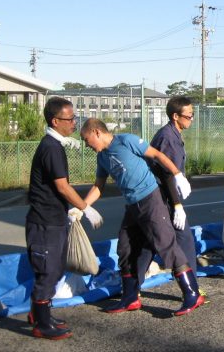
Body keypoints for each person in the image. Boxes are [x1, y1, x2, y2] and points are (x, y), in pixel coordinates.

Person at [80, 118, 204, 316]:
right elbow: (98, 186)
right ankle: (130, 297)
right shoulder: (102, 158)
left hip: (150, 199)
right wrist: (82, 207)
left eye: (87, 140)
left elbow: (157, 155)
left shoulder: (126, 141)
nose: (87, 145)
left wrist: (177, 174)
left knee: (166, 245)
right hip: (132, 205)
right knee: (125, 247)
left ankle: (192, 293)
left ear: (96, 132)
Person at [26, 97, 103, 340]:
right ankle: (41, 323)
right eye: (69, 119)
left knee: (56, 267)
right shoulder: (51, 147)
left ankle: (40, 314)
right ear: (55, 120)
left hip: (54, 218)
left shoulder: (55, 145)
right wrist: (85, 208)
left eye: (74, 117)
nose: (74, 123)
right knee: (48, 271)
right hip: (44, 221)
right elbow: (62, 186)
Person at [141, 96, 203, 294]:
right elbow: (167, 173)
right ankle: (192, 287)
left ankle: (132, 287)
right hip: (161, 196)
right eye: (189, 116)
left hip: (162, 195)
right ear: (176, 116)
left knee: (149, 242)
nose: (191, 119)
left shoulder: (173, 133)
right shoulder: (167, 137)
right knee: (183, 238)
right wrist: (177, 205)